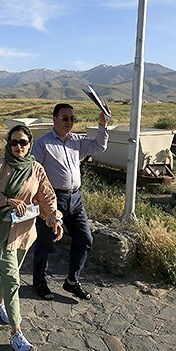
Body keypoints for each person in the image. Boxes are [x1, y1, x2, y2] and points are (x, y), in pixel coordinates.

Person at [0, 124, 63, 351]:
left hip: (25, 232)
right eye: (14, 142)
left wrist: (54, 218)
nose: (18, 147)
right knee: (13, 280)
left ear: (30, 144)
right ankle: (16, 332)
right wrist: (6, 200)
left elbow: (47, 195)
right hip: (1, 230)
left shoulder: (36, 169)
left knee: (10, 273)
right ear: (8, 144)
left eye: (23, 142)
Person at [30, 103, 109, 301]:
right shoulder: (43, 144)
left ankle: (72, 281)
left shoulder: (77, 141)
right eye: (65, 118)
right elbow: (33, 174)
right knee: (45, 244)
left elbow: (99, 146)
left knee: (85, 239)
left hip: (76, 199)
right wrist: (39, 201)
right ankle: (39, 282)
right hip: (51, 199)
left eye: (72, 119)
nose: (69, 122)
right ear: (54, 119)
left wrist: (102, 125)